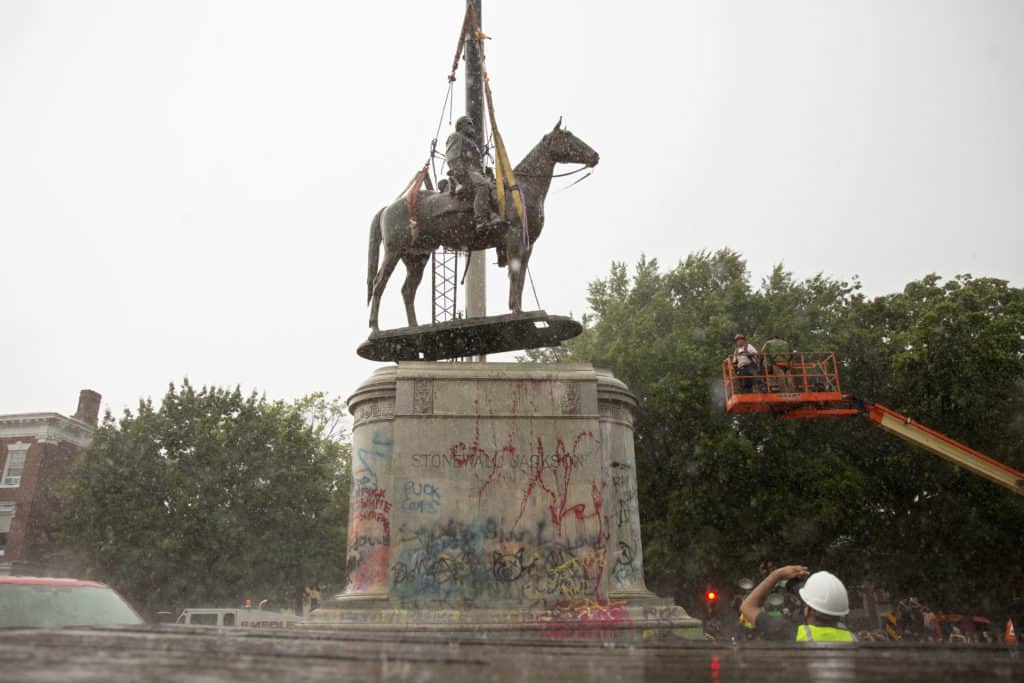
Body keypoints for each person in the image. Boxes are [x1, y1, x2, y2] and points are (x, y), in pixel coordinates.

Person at [739, 564, 856, 642]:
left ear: (807, 610)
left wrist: (777, 575)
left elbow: (747, 606)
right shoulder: (852, 638)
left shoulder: (792, 633)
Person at [445, 115, 504, 233]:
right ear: (460, 126)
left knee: (494, 187)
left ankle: (492, 214)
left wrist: (485, 172)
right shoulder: (456, 137)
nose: (472, 126)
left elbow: (476, 163)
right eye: (469, 123)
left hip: (475, 173)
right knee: (482, 186)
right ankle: (481, 221)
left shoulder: (472, 143)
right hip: (464, 174)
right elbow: (452, 158)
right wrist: (460, 174)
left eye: (472, 123)